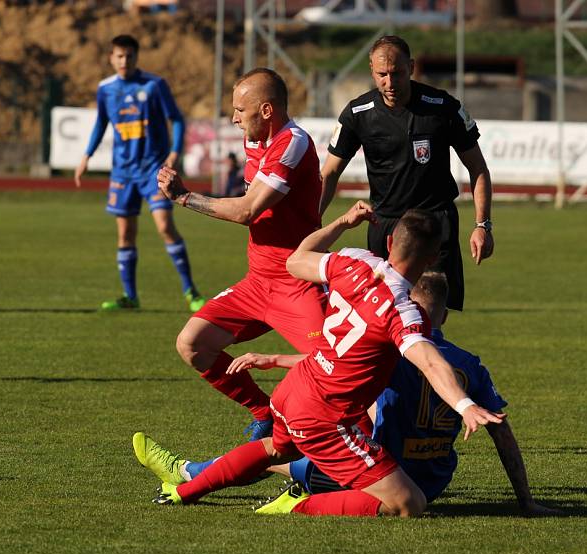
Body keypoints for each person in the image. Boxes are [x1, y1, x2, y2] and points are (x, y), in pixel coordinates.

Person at [140, 202, 504, 517]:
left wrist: (342, 223)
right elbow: (430, 362)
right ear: (433, 256)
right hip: (327, 417)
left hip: (293, 391)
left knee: (276, 449)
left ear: (390, 242)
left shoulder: (353, 262)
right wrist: (465, 404)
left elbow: (296, 261)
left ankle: (183, 492)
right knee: (409, 503)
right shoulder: (403, 311)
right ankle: (299, 505)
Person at [133, 271, 558, 516]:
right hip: (435, 480)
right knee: (290, 447)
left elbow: (335, 367)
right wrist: (526, 501)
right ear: (444, 314)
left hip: (373, 471)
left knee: (288, 452)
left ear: (405, 306)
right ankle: (195, 474)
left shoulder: (391, 351)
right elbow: (503, 432)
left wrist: (274, 360)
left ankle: (193, 473)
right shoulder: (471, 364)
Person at [156, 68, 325, 441]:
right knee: (192, 343)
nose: (233, 118)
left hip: (297, 282)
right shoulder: (255, 141)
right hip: (258, 282)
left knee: (334, 366)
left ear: (266, 110)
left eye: (239, 110)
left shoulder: (292, 142)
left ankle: (363, 455)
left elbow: (248, 211)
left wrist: (185, 197)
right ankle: (264, 412)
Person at [321, 35, 493, 311]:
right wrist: (312, 220)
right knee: (383, 314)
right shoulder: (357, 113)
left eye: (397, 73)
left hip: (434, 225)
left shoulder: (443, 108)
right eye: (382, 75)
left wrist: (482, 225)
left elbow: (478, 169)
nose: (390, 83)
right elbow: (328, 174)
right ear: (371, 70)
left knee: (430, 315)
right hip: (385, 225)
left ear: (411, 67)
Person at [74, 34, 204, 312]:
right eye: (119, 56)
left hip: (153, 170)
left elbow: (177, 119)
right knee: (125, 234)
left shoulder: (155, 85)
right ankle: (130, 297)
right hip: (122, 173)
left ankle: (191, 291)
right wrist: (86, 156)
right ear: (111, 58)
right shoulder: (105, 89)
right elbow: (101, 123)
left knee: (165, 227)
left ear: (136, 57)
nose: (124, 61)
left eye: (129, 56)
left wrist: (174, 151)